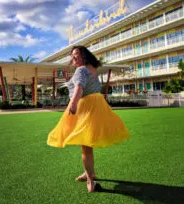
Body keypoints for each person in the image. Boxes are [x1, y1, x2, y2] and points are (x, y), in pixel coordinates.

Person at [47, 45, 131, 193]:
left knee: (85, 146)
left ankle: (91, 181)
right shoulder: (92, 69)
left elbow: (79, 87)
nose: (74, 57)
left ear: (84, 55)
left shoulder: (80, 70)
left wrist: (72, 104)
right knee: (87, 143)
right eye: (72, 55)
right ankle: (88, 173)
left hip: (86, 108)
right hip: (96, 107)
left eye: (77, 54)